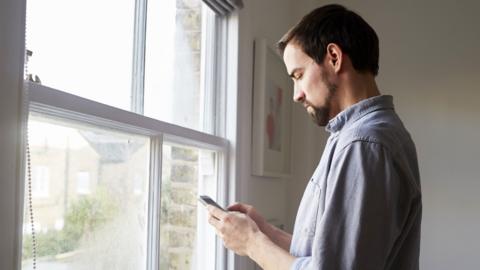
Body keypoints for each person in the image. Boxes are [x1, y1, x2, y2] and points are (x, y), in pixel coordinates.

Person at [206, 4, 422, 270]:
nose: (296, 94)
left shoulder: (364, 145)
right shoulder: (358, 137)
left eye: (299, 75)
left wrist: (251, 243)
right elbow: (326, 257)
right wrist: (263, 232)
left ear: (333, 57)